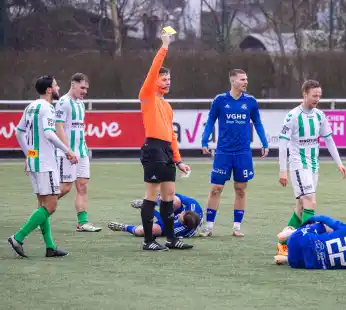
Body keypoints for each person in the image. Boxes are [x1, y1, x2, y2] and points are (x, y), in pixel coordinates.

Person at [8, 75, 78, 258]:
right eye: (56, 85)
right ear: (49, 90)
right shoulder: (47, 108)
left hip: (35, 161)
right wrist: (68, 151)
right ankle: (18, 237)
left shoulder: (31, 106)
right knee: (51, 206)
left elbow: (19, 132)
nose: (58, 88)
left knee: (42, 204)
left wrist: (29, 155)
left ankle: (50, 247)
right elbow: (48, 133)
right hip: (45, 164)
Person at [277, 79, 346, 256]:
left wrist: (339, 163)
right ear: (304, 94)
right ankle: (310, 245)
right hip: (298, 165)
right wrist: (283, 169)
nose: (317, 99)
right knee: (310, 200)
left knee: (301, 207)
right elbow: (283, 143)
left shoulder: (319, 116)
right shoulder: (292, 116)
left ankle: (284, 244)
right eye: (314, 95)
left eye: (319, 96)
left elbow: (329, 140)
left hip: (313, 165)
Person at [138, 32, 192, 251]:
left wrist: (178, 161)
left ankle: (171, 239)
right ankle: (148, 241)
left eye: (169, 79)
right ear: (154, 81)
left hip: (166, 152)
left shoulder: (167, 106)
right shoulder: (147, 95)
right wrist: (164, 46)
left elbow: (172, 136)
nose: (167, 82)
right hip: (153, 150)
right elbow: (153, 70)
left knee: (169, 195)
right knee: (151, 195)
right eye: (164, 79)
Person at [200, 69, 269, 237]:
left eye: (246, 79)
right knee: (216, 188)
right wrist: (204, 140)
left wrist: (264, 142)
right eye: (242, 79)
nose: (246, 82)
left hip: (243, 153)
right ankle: (209, 226)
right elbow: (210, 121)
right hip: (223, 152)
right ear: (233, 81)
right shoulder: (220, 100)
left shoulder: (251, 102)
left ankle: (237, 227)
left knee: (240, 189)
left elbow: (258, 123)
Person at [55, 73, 101, 232]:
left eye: (86, 89)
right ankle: (43, 209)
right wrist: (68, 150)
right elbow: (58, 127)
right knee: (65, 188)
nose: (84, 91)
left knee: (82, 186)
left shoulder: (80, 103)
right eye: (82, 87)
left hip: (82, 152)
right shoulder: (63, 102)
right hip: (67, 153)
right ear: (73, 85)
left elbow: (78, 128)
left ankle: (83, 222)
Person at [273, 215, 346, 270]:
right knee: (315, 258)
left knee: (323, 226)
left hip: (297, 240)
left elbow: (324, 219)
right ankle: (285, 259)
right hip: (296, 263)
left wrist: (308, 222)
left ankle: (290, 232)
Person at [108, 193, 203, 238]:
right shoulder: (193, 205)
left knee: (145, 231)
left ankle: (125, 227)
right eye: (182, 213)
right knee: (176, 201)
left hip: (165, 226)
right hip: (171, 216)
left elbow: (163, 219)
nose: (179, 215)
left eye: (180, 217)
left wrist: (147, 208)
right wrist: (153, 201)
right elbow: (175, 195)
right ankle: (149, 200)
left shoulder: (179, 229)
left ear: (184, 224)